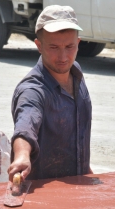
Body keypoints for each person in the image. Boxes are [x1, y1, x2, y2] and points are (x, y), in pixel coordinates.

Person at [8, 5, 92, 181]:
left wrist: (87, 173)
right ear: (39, 45)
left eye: (69, 46)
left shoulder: (75, 73)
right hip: (43, 199)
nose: (63, 57)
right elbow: (25, 125)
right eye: (53, 47)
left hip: (77, 192)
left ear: (78, 43)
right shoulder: (32, 90)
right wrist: (22, 156)